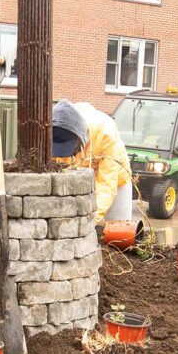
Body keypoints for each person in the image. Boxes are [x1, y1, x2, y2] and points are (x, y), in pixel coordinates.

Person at [51, 99, 137, 245]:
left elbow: (106, 185)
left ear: (81, 136)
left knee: (119, 236)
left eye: (72, 148)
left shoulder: (105, 132)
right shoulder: (57, 128)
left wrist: (87, 220)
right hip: (80, 181)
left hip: (116, 181)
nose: (70, 154)